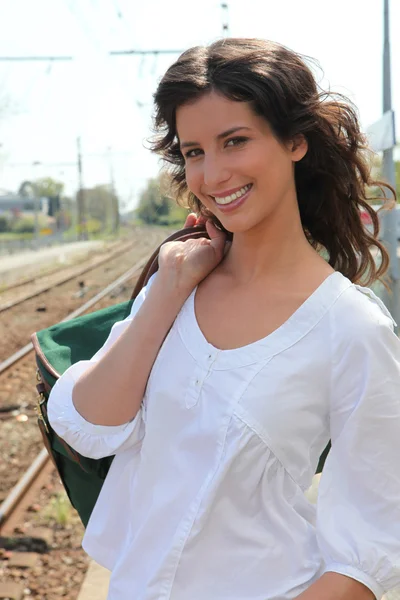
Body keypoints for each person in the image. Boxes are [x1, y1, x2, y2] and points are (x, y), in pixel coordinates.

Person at [47, 38, 400, 600]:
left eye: (234, 141)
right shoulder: (177, 286)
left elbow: (371, 553)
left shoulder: (352, 328)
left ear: (295, 141)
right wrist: (167, 289)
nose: (213, 174)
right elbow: (86, 427)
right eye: (194, 152)